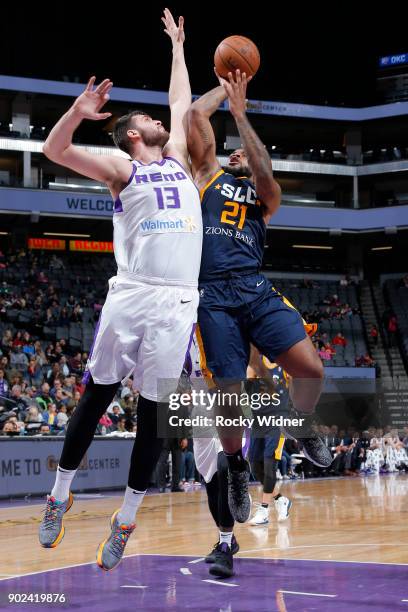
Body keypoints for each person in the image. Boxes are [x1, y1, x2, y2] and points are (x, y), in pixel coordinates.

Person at [38, 9, 202, 572]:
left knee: (155, 417)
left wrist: (179, 48)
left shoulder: (179, 160)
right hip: (132, 293)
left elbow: (180, 102)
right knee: (98, 396)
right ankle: (60, 494)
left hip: (179, 301)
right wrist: (75, 113)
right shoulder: (122, 169)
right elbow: (54, 153)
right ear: (134, 134)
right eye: (150, 120)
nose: (163, 121)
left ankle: (126, 518)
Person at [185, 70, 331, 523]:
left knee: (310, 369)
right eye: (236, 149)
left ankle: (302, 423)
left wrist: (242, 116)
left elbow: (265, 172)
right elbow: (193, 114)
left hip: (253, 287)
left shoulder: (265, 196)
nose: (237, 152)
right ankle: (235, 467)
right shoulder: (207, 174)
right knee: (228, 396)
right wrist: (226, 86)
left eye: (246, 152)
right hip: (212, 296)